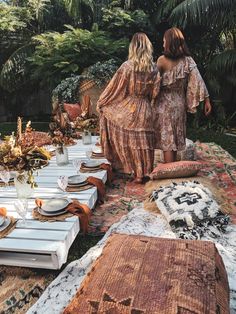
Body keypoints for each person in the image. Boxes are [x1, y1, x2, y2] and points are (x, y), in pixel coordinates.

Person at [97, 33, 161, 183]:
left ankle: (133, 171)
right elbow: (155, 93)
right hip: (145, 108)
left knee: (127, 137)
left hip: (131, 107)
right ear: (147, 47)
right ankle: (144, 173)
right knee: (144, 142)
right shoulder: (154, 68)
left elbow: (115, 88)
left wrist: (102, 101)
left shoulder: (127, 66)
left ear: (133, 47)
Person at [156, 27, 212, 163]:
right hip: (179, 104)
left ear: (169, 42)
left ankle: (170, 174)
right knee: (174, 140)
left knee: (168, 142)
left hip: (165, 105)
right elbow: (198, 80)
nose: (163, 44)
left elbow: (154, 85)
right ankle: (173, 169)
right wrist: (207, 100)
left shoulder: (161, 60)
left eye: (164, 41)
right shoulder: (188, 61)